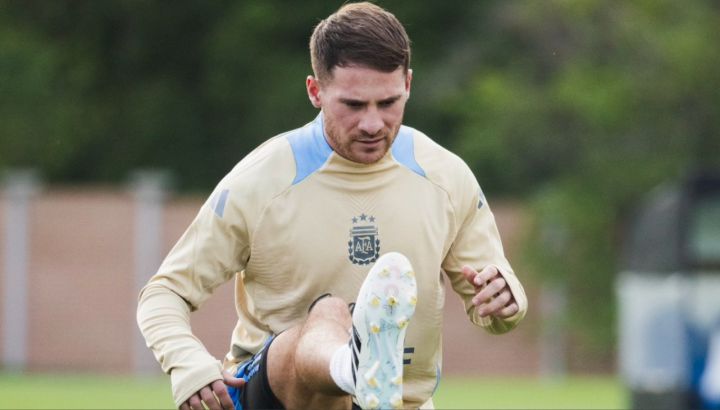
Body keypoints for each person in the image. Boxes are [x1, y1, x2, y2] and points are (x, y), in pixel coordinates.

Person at [137, 2, 528, 409]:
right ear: (315, 92)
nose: (373, 124)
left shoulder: (446, 177)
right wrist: (188, 364)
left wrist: (505, 299)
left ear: (409, 84)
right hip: (278, 398)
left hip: (402, 402)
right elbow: (164, 293)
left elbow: (497, 309)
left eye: (388, 102)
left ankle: (371, 383)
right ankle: (354, 368)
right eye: (354, 105)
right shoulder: (262, 181)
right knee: (328, 314)